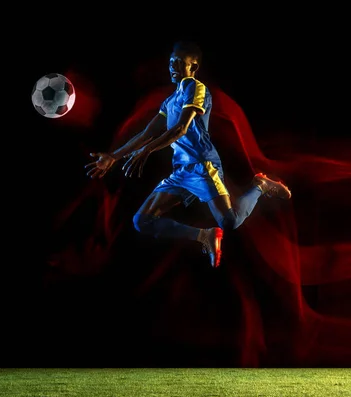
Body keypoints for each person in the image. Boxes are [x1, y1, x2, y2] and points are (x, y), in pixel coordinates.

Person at [84, 40, 291, 268]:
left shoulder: (195, 87)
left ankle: (259, 185)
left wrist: (147, 151)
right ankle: (205, 236)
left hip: (203, 166)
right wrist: (114, 156)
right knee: (142, 220)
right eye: (171, 62)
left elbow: (181, 128)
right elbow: (146, 133)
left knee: (230, 221)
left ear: (193, 67)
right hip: (181, 171)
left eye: (181, 63)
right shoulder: (170, 101)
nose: (173, 66)